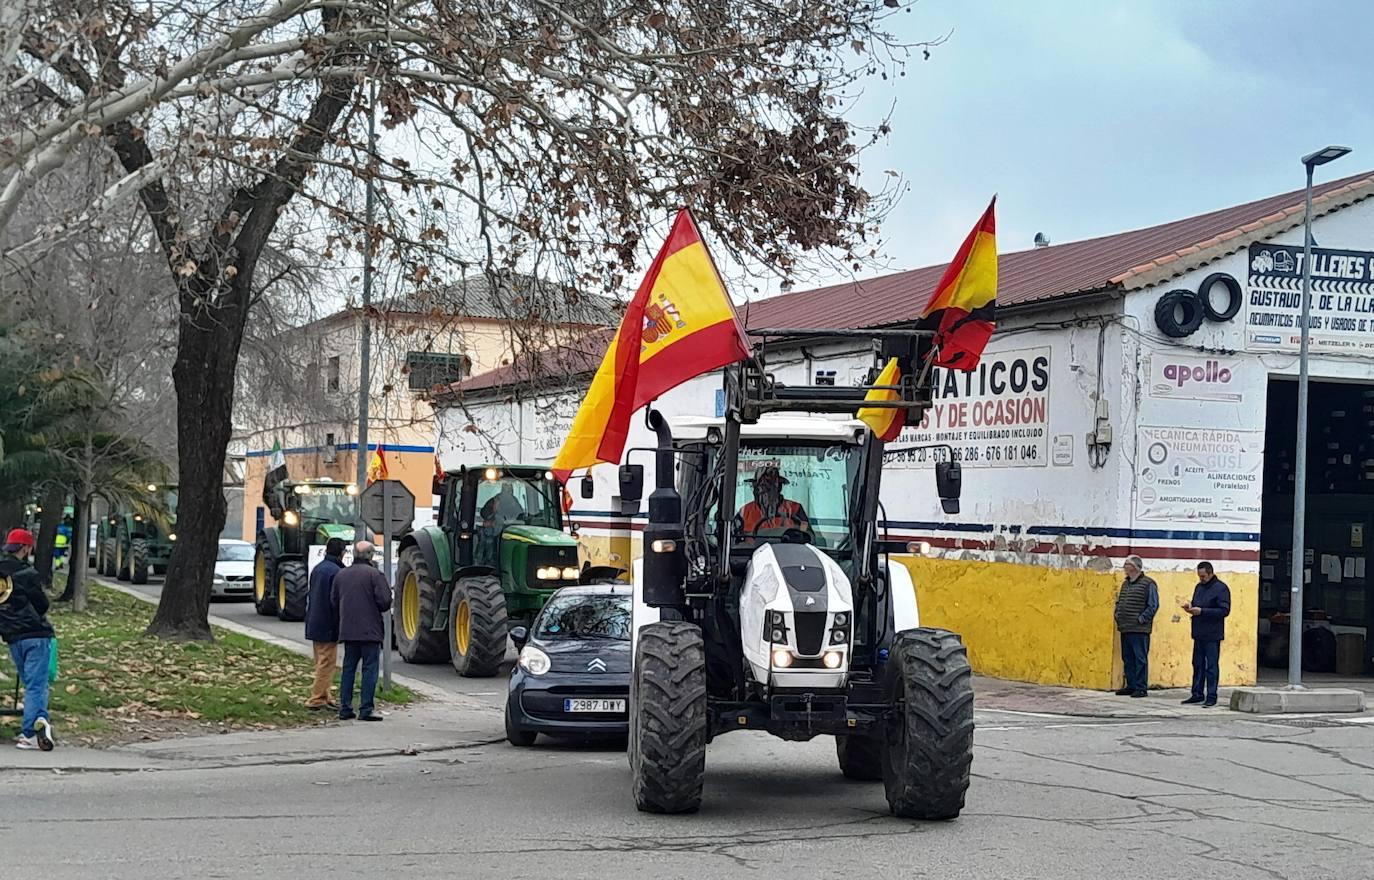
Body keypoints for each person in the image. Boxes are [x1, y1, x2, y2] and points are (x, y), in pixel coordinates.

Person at [0, 528, 56, 750]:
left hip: (12, 636)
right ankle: (30, 732)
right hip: (36, 634)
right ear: (25, 548)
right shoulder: (27, 573)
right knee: (36, 684)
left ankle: (38, 718)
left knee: (30, 681)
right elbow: (42, 605)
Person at [330, 540, 391, 722]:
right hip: (370, 631)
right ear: (371, 555)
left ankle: (345, 708)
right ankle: (366, 708)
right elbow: (385, 602)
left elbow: (333, 601)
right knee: (369, 669)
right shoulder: (375, 575)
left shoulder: (341, 575)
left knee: (348, 669)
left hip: (348, 630)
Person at [303, 537, 346, 710]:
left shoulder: (318, 569)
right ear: (342, 553)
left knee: (321, 660)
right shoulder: (336, 572)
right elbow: (335, 601)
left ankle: (325, 695)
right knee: (327, 662)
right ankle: (317, 698)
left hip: (315, 619)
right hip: (328, 622)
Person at [1182, 561, 1231, 707]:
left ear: (1210, 573)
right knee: (1197, 664)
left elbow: (1224, 610)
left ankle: (1211, 695)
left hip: (1212, 634)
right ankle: (1196, 693)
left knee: (1211, 666)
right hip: (1198, 632)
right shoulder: (1199, 587)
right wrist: (1190, 608)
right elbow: (1197, 603)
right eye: (1199, 576)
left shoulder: (1221, 589)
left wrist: (1202, 611)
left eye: (1203, 576)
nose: (1201, 579)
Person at [1113, 554, 1158, 699]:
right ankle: (1131, 685)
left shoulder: (1148, 583)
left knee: (1140, 658)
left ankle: (1141, 687)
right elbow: (1120, 602)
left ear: (1135, 567)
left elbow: (1153, 605)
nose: (1124, 567)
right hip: (1125, 626)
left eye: (1127, 564)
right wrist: (1117, 614)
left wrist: (1142, 619)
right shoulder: (1125, 584)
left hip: (1139, 629)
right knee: (1128, 657)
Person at [733, 466, 811, 543]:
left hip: (788, 553)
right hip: (751, 553)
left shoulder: (795, 509)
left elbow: (806, 534)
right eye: (758, 487)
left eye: (768, 487)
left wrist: (800, 534)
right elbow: (734, 539)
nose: (762, 492)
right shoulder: (745, 512)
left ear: (778, 488)